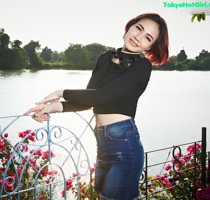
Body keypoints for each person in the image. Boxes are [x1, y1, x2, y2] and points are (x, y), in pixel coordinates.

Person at [25, 13, 169, 200]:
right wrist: (51, 107)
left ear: (150, 47)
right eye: (138, 28)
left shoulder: (142, 66)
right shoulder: (104, 57)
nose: (138, 37)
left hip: (124, 145)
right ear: (129, 26)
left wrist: (61, 92)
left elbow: (103, 95)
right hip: (103, 146)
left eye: (147, 38)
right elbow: (89, 100)